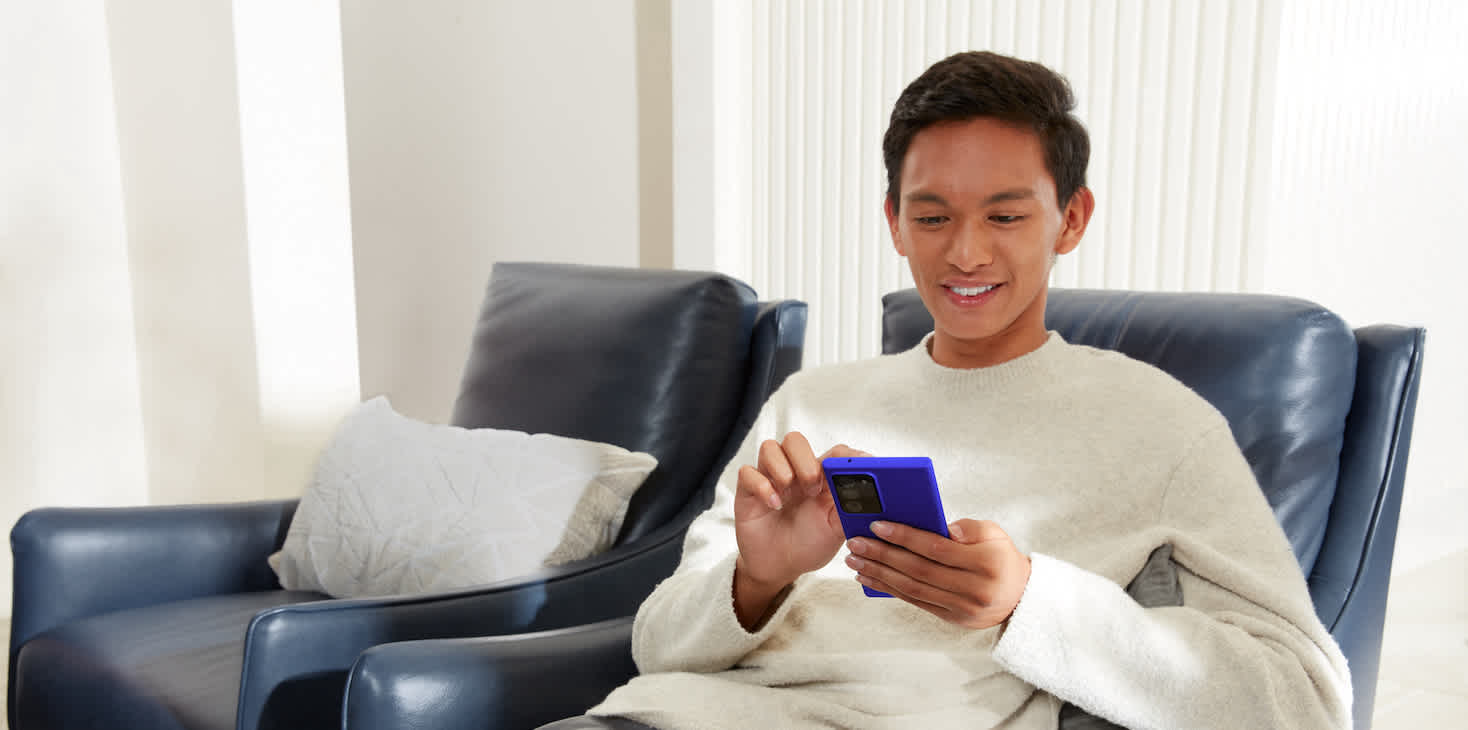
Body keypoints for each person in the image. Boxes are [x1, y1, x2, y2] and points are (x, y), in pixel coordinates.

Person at [546, 50, 1351, 729]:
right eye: (932, 219)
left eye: (1005, 217)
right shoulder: (810, 404)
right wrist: (757, 580)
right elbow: (658, 645)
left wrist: (1030, 602)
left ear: (1070, 219)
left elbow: (1306, 697)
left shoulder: (1160, 424)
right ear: (894, 221)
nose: (965, 254)